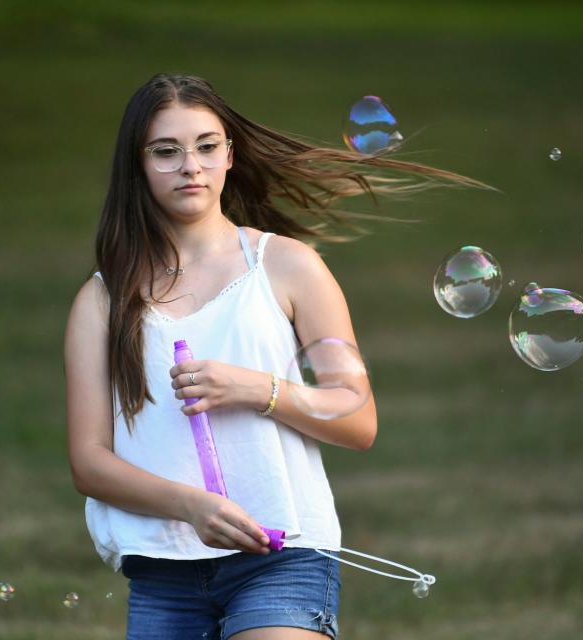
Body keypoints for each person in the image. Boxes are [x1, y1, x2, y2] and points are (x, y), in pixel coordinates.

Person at [64, 73, 479, 640]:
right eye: (166, 151)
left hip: (284, 556)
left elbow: (358, 420)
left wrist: (257, 389)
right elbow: (89, 462)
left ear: (230, 156)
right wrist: (191, 506)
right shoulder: (103, 299)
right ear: (136, 164)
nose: (191, 165)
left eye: (207, 147)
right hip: (163, 571)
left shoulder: (287, 267)